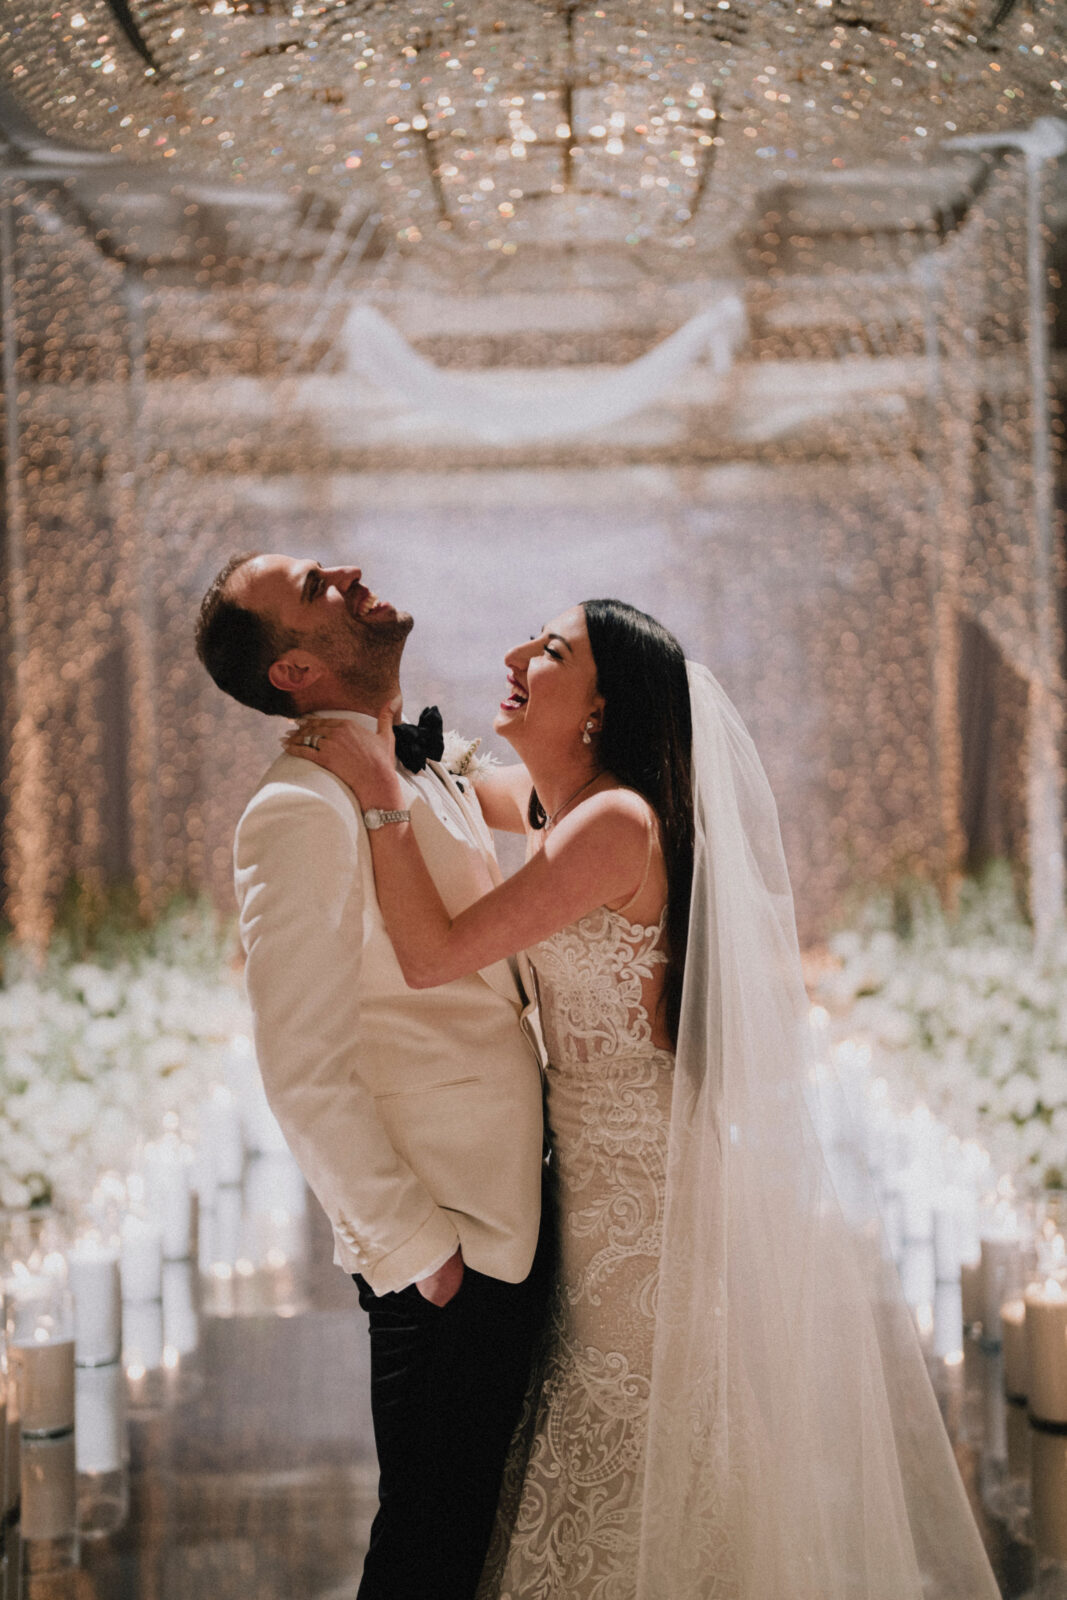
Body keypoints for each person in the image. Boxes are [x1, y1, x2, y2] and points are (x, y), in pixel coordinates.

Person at [287, 596, 1002, 1600]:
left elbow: (432, 952)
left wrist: (372, 797)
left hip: (638, 1209)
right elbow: (455, 792)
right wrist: (384, 747)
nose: (511, 655)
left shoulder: (615, 821)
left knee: (630, 1435)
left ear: (599, 706)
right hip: (589, 1188)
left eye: (547, 650)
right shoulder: (565, 804)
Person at [194, 553, 549, 1600]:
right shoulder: (297, 808)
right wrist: (416, 1251)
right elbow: (300, 1064)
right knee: (426, 1552)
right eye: (314, 586)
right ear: (296, 669)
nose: (345, 572)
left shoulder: (414, 767)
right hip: (448, 1239)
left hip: (508, 1209)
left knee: (467, 1530)